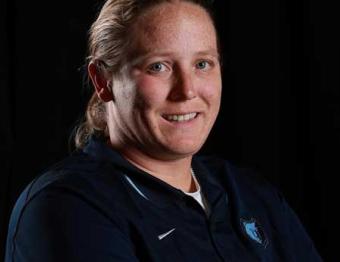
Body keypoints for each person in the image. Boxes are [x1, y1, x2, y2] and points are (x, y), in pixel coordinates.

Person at [5, 0, 322, 261]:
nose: (187, 91)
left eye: (202, 64)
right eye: (159, 66)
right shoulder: (68, 208)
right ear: (103, 81)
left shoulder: (251, 195)